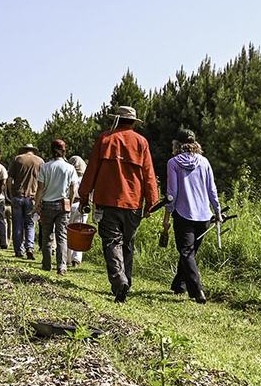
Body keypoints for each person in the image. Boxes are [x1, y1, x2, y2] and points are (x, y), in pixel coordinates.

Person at [76, 105, 159, 303]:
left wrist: (84, 195)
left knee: (112, 242)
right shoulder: (141, 142)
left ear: (116, 120)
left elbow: (92, 170)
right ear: (133, 122)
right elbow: (149, 174)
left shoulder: (106, 139)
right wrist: (151, 202)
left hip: (107, 201)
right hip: (133, 203)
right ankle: (125, 282)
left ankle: (119, 280)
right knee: (128, 242)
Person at [161, 129, 220, 304]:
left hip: (183, 214)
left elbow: (172, 192)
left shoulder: (173, 163)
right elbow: (212, 189)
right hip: (204, 216)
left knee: (186, 252)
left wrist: (167, 214)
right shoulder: (204, 162)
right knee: (189, 252)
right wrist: (217, 211)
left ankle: (197, 290)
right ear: (195, 144)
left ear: (177, 145)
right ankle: (179, 285)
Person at [35, 139, 79, 275]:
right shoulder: (70, 168)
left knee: (47, 236)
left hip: (47, 204)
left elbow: (40, 189)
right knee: (62, 237)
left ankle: (47, 264)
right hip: (63, 204)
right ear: (64, 151)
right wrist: (70, 203)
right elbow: (73, 189)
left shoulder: (45, 167)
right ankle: (62, 266)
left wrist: (37, 204)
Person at [7, 144, 44, 259]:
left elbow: (9, 179)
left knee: (17, 224)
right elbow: (43, 182)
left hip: (18, 196)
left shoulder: (17, 159)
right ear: (33, 151)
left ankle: (19, 250)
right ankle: (30, 247)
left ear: (23, 150)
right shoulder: (40, 161)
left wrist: (10, 193)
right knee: (30, 224)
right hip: (32, 197)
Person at [66, 155, 88, 268]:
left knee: (68, 230)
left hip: (70, 203)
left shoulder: (69, 175)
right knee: (80, 232)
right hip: (82, 206)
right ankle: (76, 259)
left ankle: (67, 258)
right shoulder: (85, 178)